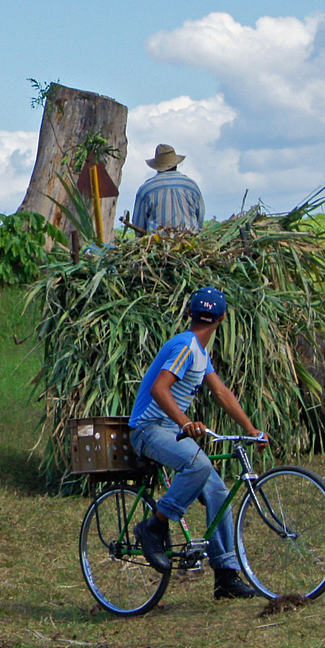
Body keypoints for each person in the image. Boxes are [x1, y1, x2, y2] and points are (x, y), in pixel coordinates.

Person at [129, 286, 267, 600]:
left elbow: (221, 393)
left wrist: (251, 429)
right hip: (149, 428)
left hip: (169, 429)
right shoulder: (187, 347)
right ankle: (154, 526)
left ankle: (226, 575)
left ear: (190, 313)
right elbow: (160, 390)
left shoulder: (199, 352)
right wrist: (185, 422)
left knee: (218, 490)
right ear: (222, 319)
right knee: (198, 464)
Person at [131, 144, 205, 233]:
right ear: (176, 164)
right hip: (190, 239)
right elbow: (200, 218)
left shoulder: (146, 189)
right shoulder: (191, 186)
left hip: (156, 241)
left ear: (157, 167)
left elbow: (138, 224)